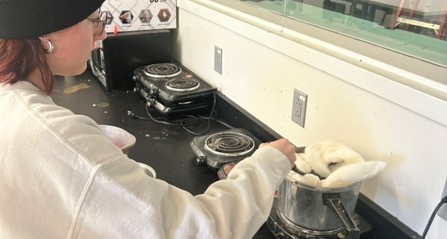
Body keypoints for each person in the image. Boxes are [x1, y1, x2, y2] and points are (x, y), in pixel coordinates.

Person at [0, 0, 297, 238]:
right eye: (94, 19)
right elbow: (198, 231)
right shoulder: (55, 136)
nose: (102, 33)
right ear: (45, 33)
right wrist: (266, 165)